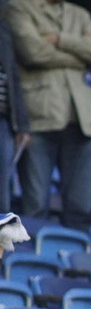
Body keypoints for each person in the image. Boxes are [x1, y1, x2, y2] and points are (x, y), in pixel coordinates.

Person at [4, 0, 91, 230]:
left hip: (80, 119)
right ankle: (24, 268)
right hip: (39, 118)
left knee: (80, 208)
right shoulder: (18, 7)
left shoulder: (80, 13)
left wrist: (60, 39)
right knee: (35, 205)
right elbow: (32, 52)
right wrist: (80, 56)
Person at [0, 21, 31, 213]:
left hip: (3, 121)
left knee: (2, 195)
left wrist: (22, 124)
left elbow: (13, 77)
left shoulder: (3, 31)